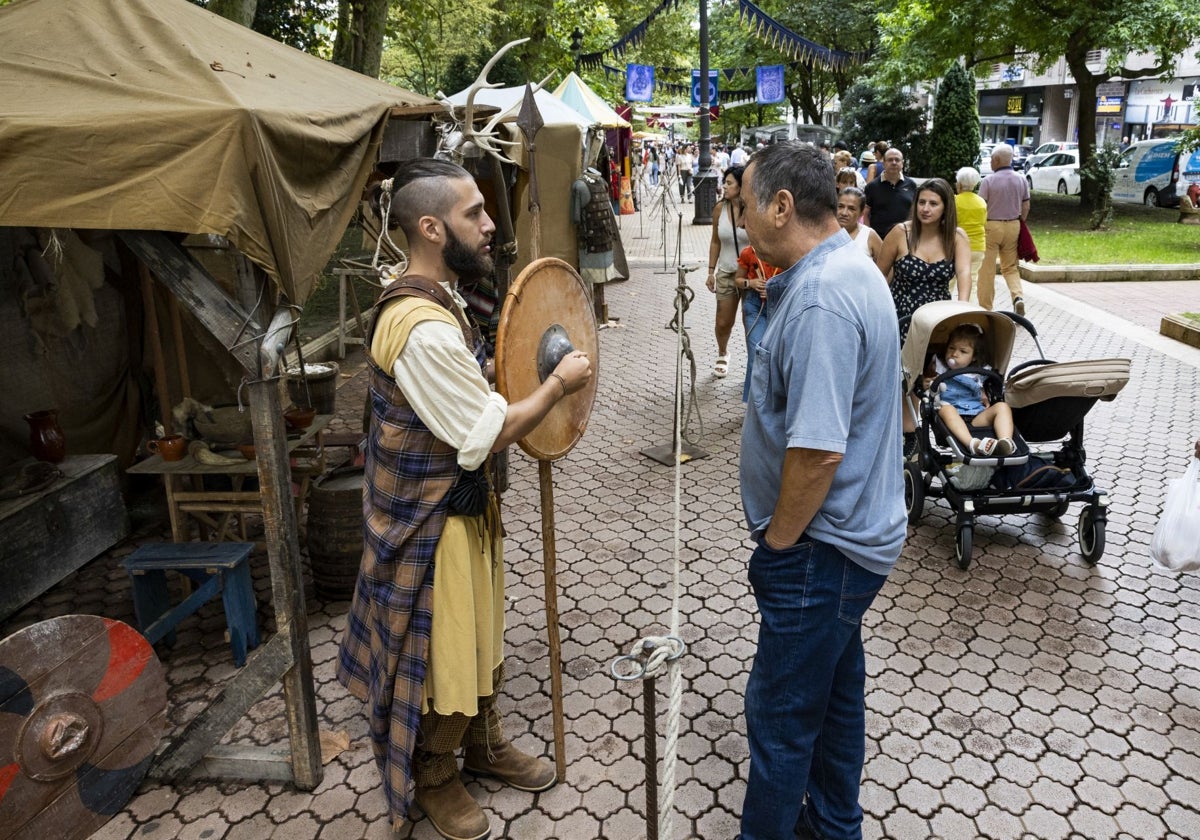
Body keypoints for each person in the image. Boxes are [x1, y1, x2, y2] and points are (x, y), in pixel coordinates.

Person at [338, 159, 592, 840]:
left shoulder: (439, 296)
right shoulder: (419, 325)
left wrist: (502, 364)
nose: (489, 225)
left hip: (462, 508)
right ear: (430, 226)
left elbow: (473, 381)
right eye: (474, 212)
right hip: (430, 522)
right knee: (448, 655)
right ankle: (436, 774)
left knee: (481, 637)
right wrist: (557, 388)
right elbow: (483, 433)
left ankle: (482, 745)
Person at [737, 141, 905, 840]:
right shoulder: (835, 271)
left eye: (745, 204)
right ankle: (834, 825)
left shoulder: (824, 299)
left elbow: (817, 451)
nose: (740, 219)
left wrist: (778, 546)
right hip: (842, 545)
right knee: (835, 698)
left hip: (820, 549)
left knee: (778, 716)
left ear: (781, 206)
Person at [876, 177, 972, 338]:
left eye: (933, 204)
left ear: (946, 208)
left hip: (938, 318)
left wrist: (961, 311)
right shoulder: (900, 233)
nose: (925, 209)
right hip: (900, 317)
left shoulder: (956, 237)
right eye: (921, 202)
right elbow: (879, 276)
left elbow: (964, 274)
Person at [927, 323, 1016, 456]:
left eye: (963, 351)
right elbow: (927, 380)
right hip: (952, 415)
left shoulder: (979, 373)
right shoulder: (940, 367)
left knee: (1002, 407)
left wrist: (985, 393)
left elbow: (987, 388)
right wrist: (926, 382)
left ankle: (1005, 442)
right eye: (951, 348)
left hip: (977, 416)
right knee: (946, 409)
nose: (954, 354)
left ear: (974, 356)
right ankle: (972, 444)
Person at [978, 143, 1031, 314]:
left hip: (991, 226)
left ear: (996, 160)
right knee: (1010, 267)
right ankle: (1018, 297)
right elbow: (1026, 205)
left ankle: (986, 308)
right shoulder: (1021, 179)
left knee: (987, 269)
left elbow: (981, 206)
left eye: (992, 159)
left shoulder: (988, 181)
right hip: (1013, 226)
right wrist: (1020, 221)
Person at [705, 165, 745, 378]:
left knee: (751, 322)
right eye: (725, 182)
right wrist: (711, 271)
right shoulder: (720, 209)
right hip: (727, 271)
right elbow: (715, 241)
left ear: (741, 186)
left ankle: (753, 363)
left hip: (751, 275)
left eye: (729, 183)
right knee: (723, 322)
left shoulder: (755, 209)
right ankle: (723, 352)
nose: (725, 186)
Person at [734, 243, 781, 402]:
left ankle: (772, 403)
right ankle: (753, 406)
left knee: (776, 356)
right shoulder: (748, 252)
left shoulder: (784, 250)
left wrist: (775, 288)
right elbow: (738, 280)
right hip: (755, 306)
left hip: (779, 305)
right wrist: (751, 283)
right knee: (756, 354)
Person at [862, 147, 916, 240]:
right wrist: (870, 235)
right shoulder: (872, 187)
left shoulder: (911, 185)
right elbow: (865, 213)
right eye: (890, 160)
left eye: (897, 160)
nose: (894, 162)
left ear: (902, 163)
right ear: (883, 164)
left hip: (904, 239)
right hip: (879, 239)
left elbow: (913, 211)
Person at [954, 166, 988, 301]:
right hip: (978, 246)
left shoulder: (955, 201)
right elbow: (984, 222)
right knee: (972, 282)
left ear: (960, 184)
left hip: (957, 246)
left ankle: (945, 312)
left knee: (949, 282)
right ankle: (970, 313)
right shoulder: (981, 202)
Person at [836, 187, 883, 260]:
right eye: (840, 206)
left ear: (861, 212)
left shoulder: (869, 235)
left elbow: (887, 269)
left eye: (851, 209)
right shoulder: (824, 233)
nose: (844, 213)